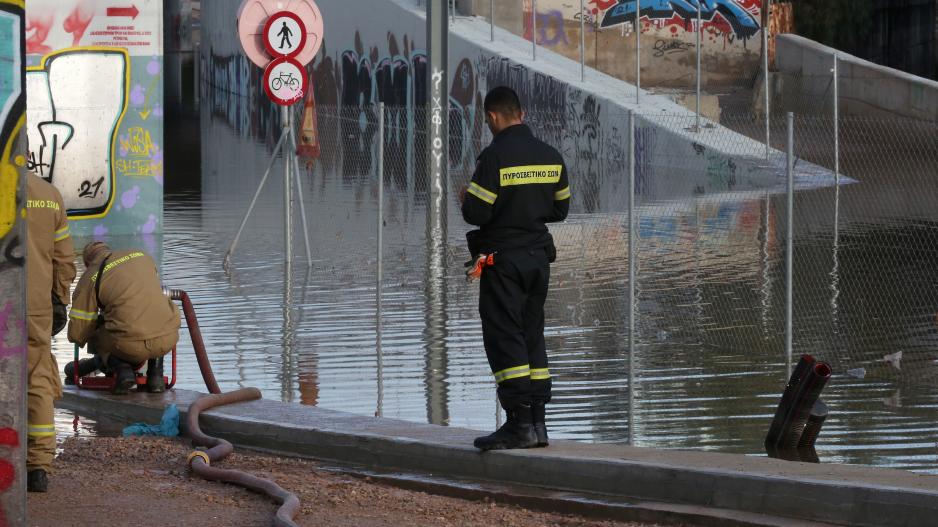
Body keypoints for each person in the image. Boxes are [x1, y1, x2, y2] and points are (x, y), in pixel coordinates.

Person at [461, 86, 571, 451]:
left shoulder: (494, 158)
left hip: (504, 260)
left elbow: (477, 213)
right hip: (538, 259)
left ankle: (518, 424)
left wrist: (466, 197)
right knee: (531, 334)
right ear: (521, 113)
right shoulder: (551, 155)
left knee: (504, 335)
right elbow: (560, 210)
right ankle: (538, 423)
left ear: (492, 117)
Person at [67, 242, 180, 395]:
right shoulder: (141, 256)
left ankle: (123, 372)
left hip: (128, 345)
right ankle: (156, 377)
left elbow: (77, 333)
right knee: (154, 319)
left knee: (96, 332)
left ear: (88, 263)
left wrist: (91, 332)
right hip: (169, 338)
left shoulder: (91, 276)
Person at [25, 172, 77, 492]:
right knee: (37, 378)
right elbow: (64, 259)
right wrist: (59, 300)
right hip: (35, 304)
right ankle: (37, 467)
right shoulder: (49, 194)